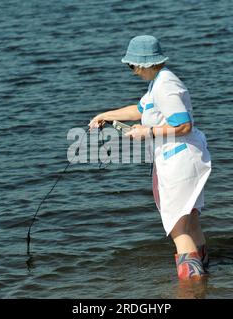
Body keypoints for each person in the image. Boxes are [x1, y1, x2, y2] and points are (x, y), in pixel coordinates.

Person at [89, 35, 212, 280]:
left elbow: (183, 125)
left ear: (145, 64)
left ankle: (192, 287)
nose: (132, 71)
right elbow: (141, 109)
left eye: (132, 66)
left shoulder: (165, 87)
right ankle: (205, 276)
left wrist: (148, 132)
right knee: (190, 221)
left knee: (179, 229)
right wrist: (106, 114)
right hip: (188, 156)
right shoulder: (159, 81)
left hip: (179, 161)